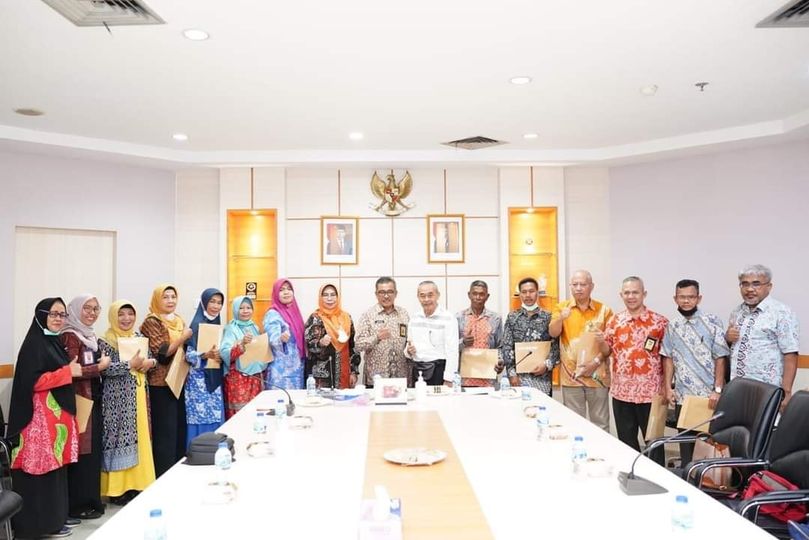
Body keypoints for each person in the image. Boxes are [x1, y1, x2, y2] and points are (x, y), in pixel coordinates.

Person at [9, 298, 81, 539]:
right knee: (39, 471)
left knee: (55, 471)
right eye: (53, 314)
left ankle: (56, 519)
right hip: (37, 421)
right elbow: (34, 382)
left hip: (54, 421)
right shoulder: (34, 345)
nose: (59, 319)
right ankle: (39, 526)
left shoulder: (53, 342)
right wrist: (67, 372)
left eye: (62, 314)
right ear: (41, 316)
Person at [660, 279, 729, 465]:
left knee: (706, 449)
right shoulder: (672, 326)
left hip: (707, 398)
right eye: (682, 297)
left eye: (691, 297)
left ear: (699, 298)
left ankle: (705, 480)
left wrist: (718, 390)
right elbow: (668, 357)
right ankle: (686, 477)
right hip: (683, 397)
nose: (686, 301)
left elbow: (720, 358)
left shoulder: (712, 322)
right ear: (675, 299)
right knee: (686, 448)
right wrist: (668, 388)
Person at [98, 300, 156, 506]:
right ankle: (117, 490)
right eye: (121, 314)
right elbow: (104, 369)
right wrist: (129, 364)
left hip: (138, 395)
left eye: (130, 314)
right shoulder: (105, 341)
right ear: (113, 316)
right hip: (116, 400)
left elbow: (152, 359)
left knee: (140, 439)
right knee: (118, 440)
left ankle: (138, 484)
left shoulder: (138, 337)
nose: (126, 318)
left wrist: (150, 363)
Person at [605, 276, 668, 464]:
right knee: (626, 442)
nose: (631, 296)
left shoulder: (659, 322)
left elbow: (668, 357)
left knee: (654, 443)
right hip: (622, 393)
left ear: (644, 294)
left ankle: (657, 476)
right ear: (621, 295)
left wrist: (667, 387)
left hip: (651, 394)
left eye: (635, 292)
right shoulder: (614, 321)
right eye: (627, 293)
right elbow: (606, 350)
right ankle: (631, 474)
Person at [59, 294, 110, 522]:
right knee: (81, 452)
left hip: (93, 397)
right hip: (79, 399)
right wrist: (99, 367)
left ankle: (90, 500)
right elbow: (72, 370)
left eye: (95, 309)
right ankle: (78, 504)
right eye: (87, 308)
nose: (91, 313)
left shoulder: (89, 336)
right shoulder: (70, 335)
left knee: (92, 452)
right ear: (75, 310)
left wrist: (99, 366)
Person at [726, 264, 799, 410]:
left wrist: (786, 392)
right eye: (745, 284)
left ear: (769, 286)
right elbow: (732, 347)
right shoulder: (737, 312)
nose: (750, 289)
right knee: (738, 423)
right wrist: (728, 338)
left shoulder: (782, 312)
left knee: (765, 424)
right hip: (737, 388)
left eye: (756, 284)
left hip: (767, 390)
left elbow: (790, 353)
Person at [139, 284, 192, 478]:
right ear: (157, 299)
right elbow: (162, 353)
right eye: (165, 297)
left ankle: (177, 474)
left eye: (173, 297)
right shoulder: (151, 322)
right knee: (165, 435)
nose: (170, 301)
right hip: (160, 384)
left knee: (178, 431)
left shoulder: (179, 320)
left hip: (178, 381)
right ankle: (163, 476)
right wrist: (182, 338)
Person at [549, 270, 612, 431]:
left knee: (600, 423)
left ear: (591, 286)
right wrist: (561, 318)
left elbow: (611, 344)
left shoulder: (604, 310)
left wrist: (595, 363)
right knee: (574, 423)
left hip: (597, 375)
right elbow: (553, 333)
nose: (578, 288)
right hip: (571, 376)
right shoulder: (561, 308)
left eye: (583, 284)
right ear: (570, 286)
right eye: (575, 284)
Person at [500, 277, 560, 396]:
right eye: (524, 292)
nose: (528, 295)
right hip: (518, 379)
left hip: (542, 379)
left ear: (537, 293)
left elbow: (556, 346)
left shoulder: (548, 317)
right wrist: (512, 374)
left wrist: (547, 365)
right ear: (520, 294)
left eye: (531, 291)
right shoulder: (512, 317)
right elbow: (507, 346)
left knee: (541, 407)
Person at [184, 288, 225, 447]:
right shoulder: (195, 325)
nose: (216, 306)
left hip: (214, 380)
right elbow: (188, 355)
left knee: (215, 417)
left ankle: (216, 451)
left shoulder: (218, 324)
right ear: (204, 303)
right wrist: (204, 354)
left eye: (219, 303)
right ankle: (198, 451)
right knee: (199, 418)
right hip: (198, 383)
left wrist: (221, 355)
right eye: (212, 301)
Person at [354, 277, 410, 386]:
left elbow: (409, 342)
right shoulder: (368, 315)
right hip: (376, 379)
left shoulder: (403, 314)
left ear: (396, 293)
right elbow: (358, 345)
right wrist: (376, 337)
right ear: (376, 294)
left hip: (400, 378)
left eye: (390, 292)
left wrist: (411, 348)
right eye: (382, 292)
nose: (386, 296)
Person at [305, 284, 359, 388]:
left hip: (344, 373)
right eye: (325, 295)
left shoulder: (346, 317)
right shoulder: (315, 318)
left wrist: (353, 371)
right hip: (323, 376)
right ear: (320, 298)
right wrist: (320, 343)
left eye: (333, 295)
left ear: (338, 297)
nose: (329, 299)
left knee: (344, 398)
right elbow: (309, 346)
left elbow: (352, 346)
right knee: (323, 398)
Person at [405, 281, 459, 385]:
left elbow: (452, 351)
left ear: (438, 295)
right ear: (418, 297)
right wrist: (408, 350)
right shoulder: (414, 318)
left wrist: (449, 379)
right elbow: (409, 345)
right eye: (422, 296)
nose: (426, 299)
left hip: (439, 371)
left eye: (430, 295)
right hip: (418, 371)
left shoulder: (448, 318)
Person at [221, 296, 265, 417]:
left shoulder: (254, 327)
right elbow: (225, 353)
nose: (245, 311)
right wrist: (242, 344)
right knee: (239, 415)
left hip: (254, 378)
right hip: (239, 378)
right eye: (241, 308)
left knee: (255, 412)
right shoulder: (230, 328)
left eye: (248, 308)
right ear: (235, 309)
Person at [456, 280, 502, 387]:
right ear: (469, 295)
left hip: (488, 377)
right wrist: (463, 342)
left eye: (481, 294)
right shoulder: (459, 318)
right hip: (464, 378)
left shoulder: (495, 318)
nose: (478, 297)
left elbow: (500, 346)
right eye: (474, 293)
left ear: (487, 296)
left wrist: (500, 361)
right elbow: (450, 348)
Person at [262, 279, 306, 390]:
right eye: (281, 290)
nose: (286, 292)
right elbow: (272, 338)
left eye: (289, 289)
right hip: (280, 372)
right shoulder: (273, 314)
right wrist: (280, 338)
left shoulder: (295, 312)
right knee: (280, 399)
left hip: (297, 368)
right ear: (276, 294)